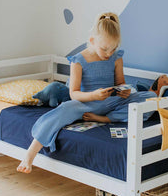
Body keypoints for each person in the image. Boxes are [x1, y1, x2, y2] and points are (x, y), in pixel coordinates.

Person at [17, 12, 157, 173]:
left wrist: (123, 91)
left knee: (151, 97)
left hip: (111, 102)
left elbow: (120, 83)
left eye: (113, 49)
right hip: (86, 103)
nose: (109, 54)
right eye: (105, 49)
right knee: (64, 109)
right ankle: (30, 155)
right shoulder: (79, 60)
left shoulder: (116, 58)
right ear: (92, 41)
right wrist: (93, 96)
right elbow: (74, 93)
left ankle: (104, 119)